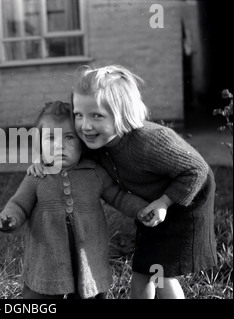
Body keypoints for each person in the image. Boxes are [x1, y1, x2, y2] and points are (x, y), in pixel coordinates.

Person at [28, 65, 218, 299]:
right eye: (79, 115)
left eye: (96, 115)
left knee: (159, 270)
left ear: (122, 114)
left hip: (186, 202)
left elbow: (197, 170)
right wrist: (43, 161)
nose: (85, 125)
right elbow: (67, 150)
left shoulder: (150, 141)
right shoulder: (94, 140)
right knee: (145, 268)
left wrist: (164, 202)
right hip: (151, 204)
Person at [0, 101, 150, 299]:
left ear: (82, 143)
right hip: (47, 259)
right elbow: (19, 204)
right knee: (40, 296)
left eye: (69, 137)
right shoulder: (37, 176)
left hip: (87, 255)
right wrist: (10, 217)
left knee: (87, 289)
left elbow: (118, 196)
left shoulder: (94, 173)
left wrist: (141, 209)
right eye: (50, 138)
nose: (59, 145)